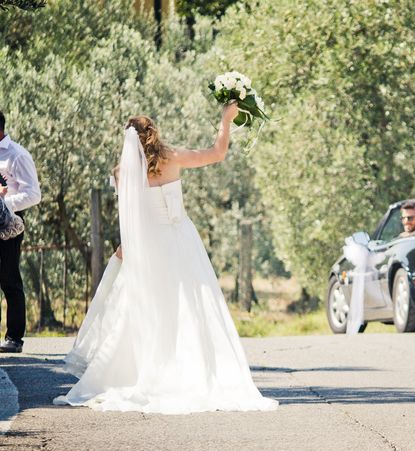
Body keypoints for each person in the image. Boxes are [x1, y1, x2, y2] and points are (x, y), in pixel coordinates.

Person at [54, 104, 277, 413]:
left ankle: (146, 370)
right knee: (190, 307)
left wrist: (125, 249)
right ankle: (191, 371)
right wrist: (226, 120)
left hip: (148, 246)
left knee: (149, 308)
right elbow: (217, 153)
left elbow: (130, 218)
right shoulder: (173, 158)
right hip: (180, 239)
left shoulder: (122, 173)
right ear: (154, 133)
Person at [0, 111, 41, 354]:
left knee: (9, 277)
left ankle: (14, 337)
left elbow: (33, 195)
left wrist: (3, 205)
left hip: (8, 222)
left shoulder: (17, 155)